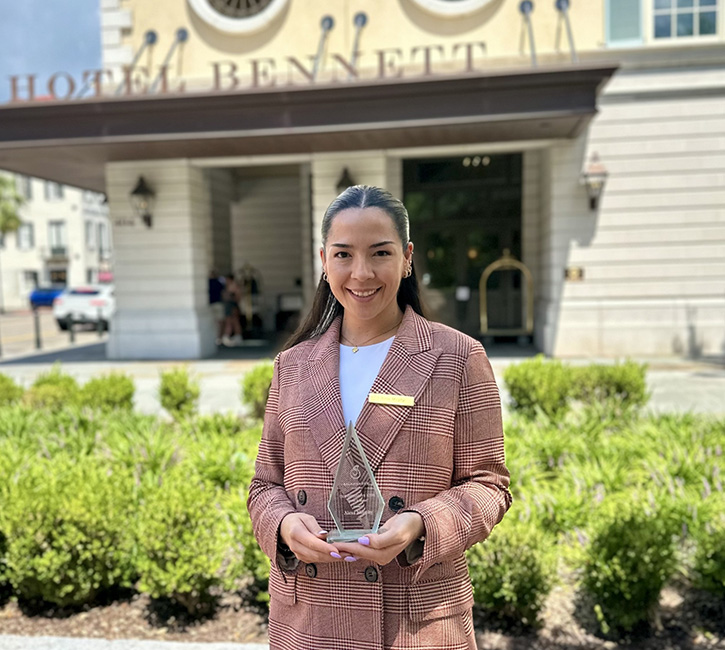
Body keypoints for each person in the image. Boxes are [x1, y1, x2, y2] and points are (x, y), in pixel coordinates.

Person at [247, 185, 512, 650]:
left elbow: (489, 485)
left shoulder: (457, 356)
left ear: (407, 258)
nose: (362, 273)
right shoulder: (293, 365)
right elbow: (264, 485)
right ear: (324, 261)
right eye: (343, 254)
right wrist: (284, 526)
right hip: (311, 618)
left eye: (380, 253)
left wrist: (421, 523)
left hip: (417, 622)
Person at [221, 273, 243, 346]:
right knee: (229, 321)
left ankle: (237, 337)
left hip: (233, 306)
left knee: (235, 321)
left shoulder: (235, 286)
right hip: (228, 305)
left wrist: (230, 297)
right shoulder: (226, 286)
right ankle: (227, 337)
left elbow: (238, 298)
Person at [208, 270, 225, 346]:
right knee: (220, 322)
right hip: (218, 303)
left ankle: (213, 337)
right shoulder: (219, 283)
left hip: (210, 304)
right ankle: (219, 338)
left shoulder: (207, 283)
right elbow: (223, 292)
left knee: (212, 322)